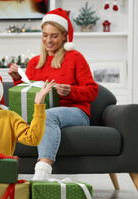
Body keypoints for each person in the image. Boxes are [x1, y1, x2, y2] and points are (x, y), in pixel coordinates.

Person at [8, 8, 99, 181]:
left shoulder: (75, 58)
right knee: (6, 112)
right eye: (44, 35)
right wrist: (18, 79)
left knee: (46, 116)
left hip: (75, 111)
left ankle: (42, 171)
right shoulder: (35, 62)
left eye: (54, 36)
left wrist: (71, 91)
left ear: (65, 36)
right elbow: (30, 91)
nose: (48, 40)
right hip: (46, 111)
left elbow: (92, 91)